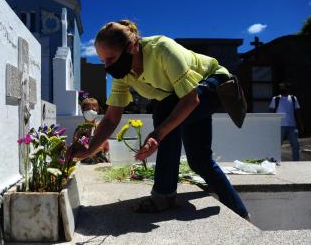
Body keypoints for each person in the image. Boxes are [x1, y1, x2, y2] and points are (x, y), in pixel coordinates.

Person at [70, 20, 249, 219]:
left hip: (216, 85)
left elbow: (191, 99)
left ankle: (163, 195)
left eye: (111, 59)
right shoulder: (123, 73)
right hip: (184, 99)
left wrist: (157, 135)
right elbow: (112, 117)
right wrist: (88, 150)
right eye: (103, 61)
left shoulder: (162, 49)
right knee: (200, 161)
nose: (107, 67)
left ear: (131, 47)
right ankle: (242, 212)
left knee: (164, 109)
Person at [269, 82, 303, 161]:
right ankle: (275, 160)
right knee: (277, 145)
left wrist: (300, 124)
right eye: (280, 88)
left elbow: (297, 112)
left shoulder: (293, 98)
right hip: (279, 126)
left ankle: (296, 161)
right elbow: (271, 112)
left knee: (295, 145)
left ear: (288, 89)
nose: (282, 89)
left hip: (292, 126)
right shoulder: (276, 99)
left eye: (283, 87)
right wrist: (271, 125)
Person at [71, 97, 109, 164]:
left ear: (97, 111)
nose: (91, 111)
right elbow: (75, 149)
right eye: (88, 109)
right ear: (82, 111)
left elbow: (101, 147)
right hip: (84, 166)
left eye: (94, 110)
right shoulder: (80, 130)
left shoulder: (100, 126)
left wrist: (83, 155)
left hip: (100, 165)